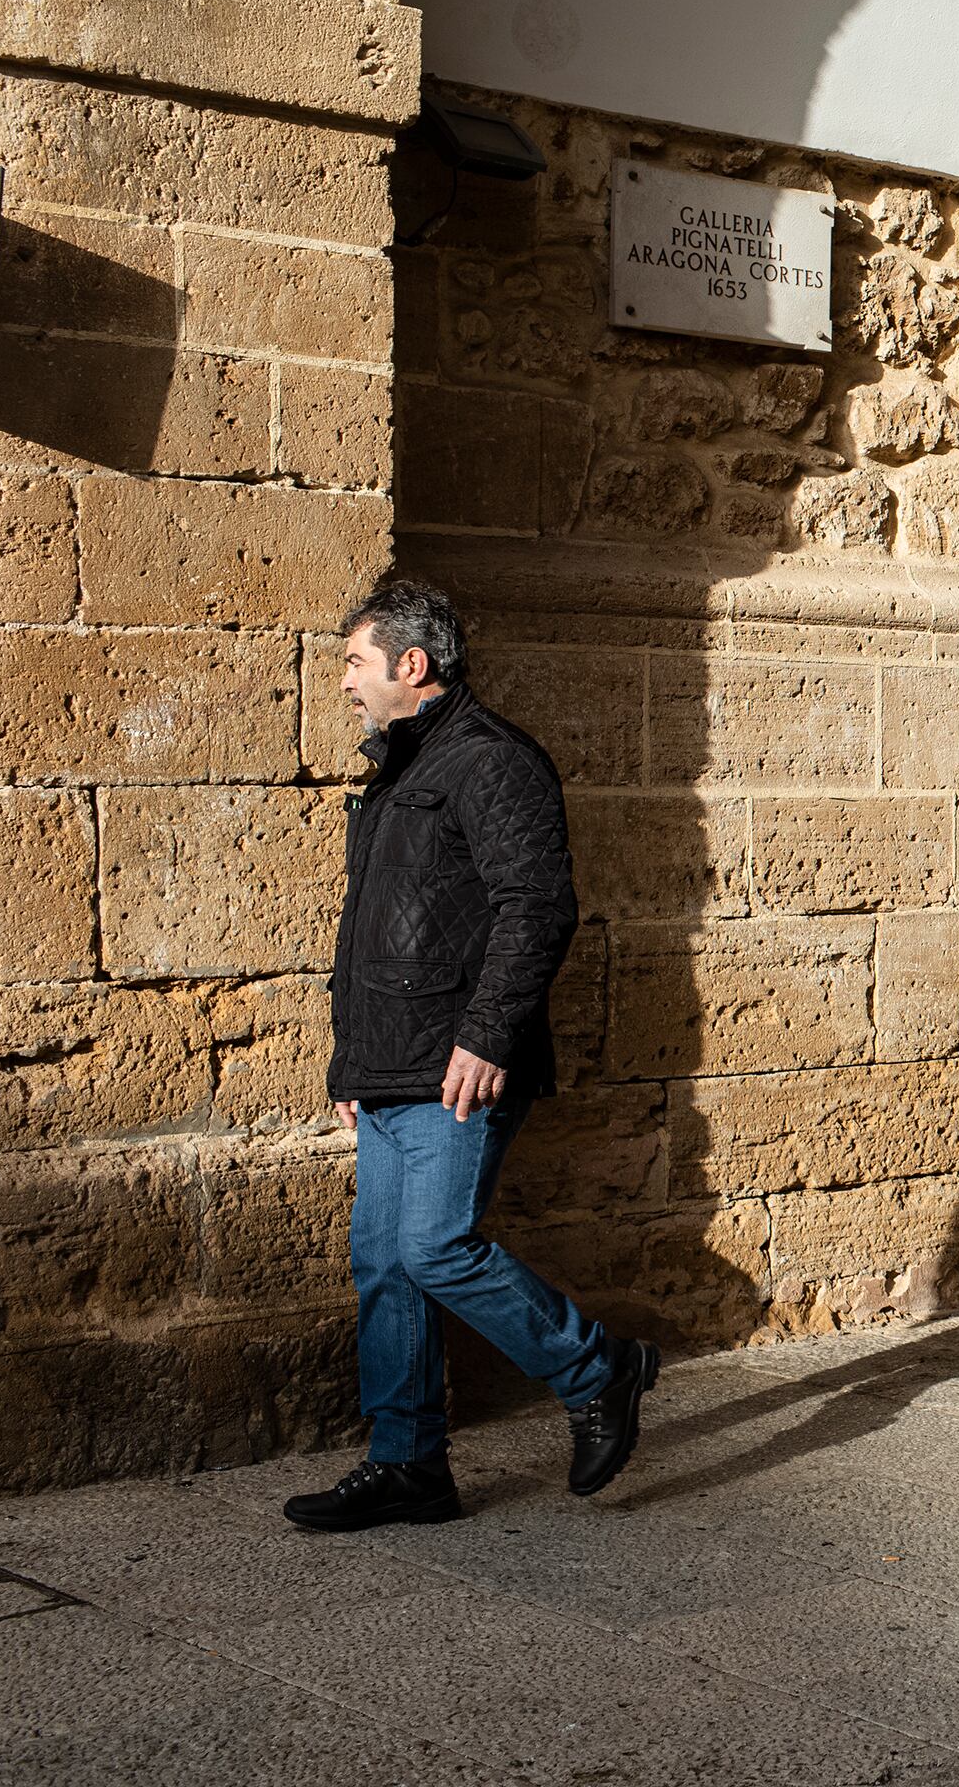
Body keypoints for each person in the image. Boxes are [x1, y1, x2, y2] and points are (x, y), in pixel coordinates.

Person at [283, 580, 658, 1534]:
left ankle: (597, 1366)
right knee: (383, 1264)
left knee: (433, 1246)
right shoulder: (401, 772)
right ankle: (408, 1466)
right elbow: (369, 932)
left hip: (460, 1063)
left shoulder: (492, 762)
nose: (343, 684)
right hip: (392, 1068)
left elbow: (538, 907)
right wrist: (350, 1069)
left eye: (354, 663)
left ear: (413, 666)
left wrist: (488, 1035)